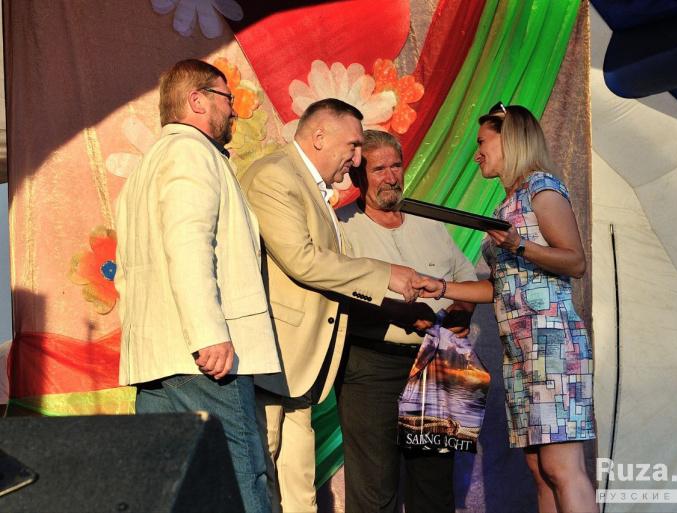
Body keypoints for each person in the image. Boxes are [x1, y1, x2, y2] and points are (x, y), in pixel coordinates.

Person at [238, 99, 422, 513]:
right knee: (260, 475)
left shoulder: (308, 183)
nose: (356, 159)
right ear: (319, 137)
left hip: (300, 367)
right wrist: (384, 275)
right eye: (353, 146)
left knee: (299, 487)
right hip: (274, 358)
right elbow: (302, 260)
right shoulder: (274, 175)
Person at [114, 59, 280, 513]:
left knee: (175, 493)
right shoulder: (190, 152)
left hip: (159, 358)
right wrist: (208, 331)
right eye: (227, 98)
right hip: (200, 358)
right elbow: (188, 242)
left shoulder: (147, 167)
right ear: (197, 100)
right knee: (238, 481)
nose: (235, 110)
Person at [418, 104, 597, 513]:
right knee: (539, 469)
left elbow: (575, 261)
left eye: (483, 142)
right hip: (520, 352)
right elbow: (501, 286)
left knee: (562, 466)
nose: (476, 154)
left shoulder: (541, 188)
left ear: (510, 139)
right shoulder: (507, 205)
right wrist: (441, 287)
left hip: (552, 345)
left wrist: (519, 244)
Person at [336, 130, 477, 513]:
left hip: (438, 362)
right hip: (371, 367)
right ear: (358, 175)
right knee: (374, 487)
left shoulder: (430, 223)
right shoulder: (342, 227)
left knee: (434, 484)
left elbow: (466, 281)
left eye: (396, 166)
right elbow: (335, 296)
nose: (391, 177)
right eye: (378, 169)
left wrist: (462, 311)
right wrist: (397, 313)